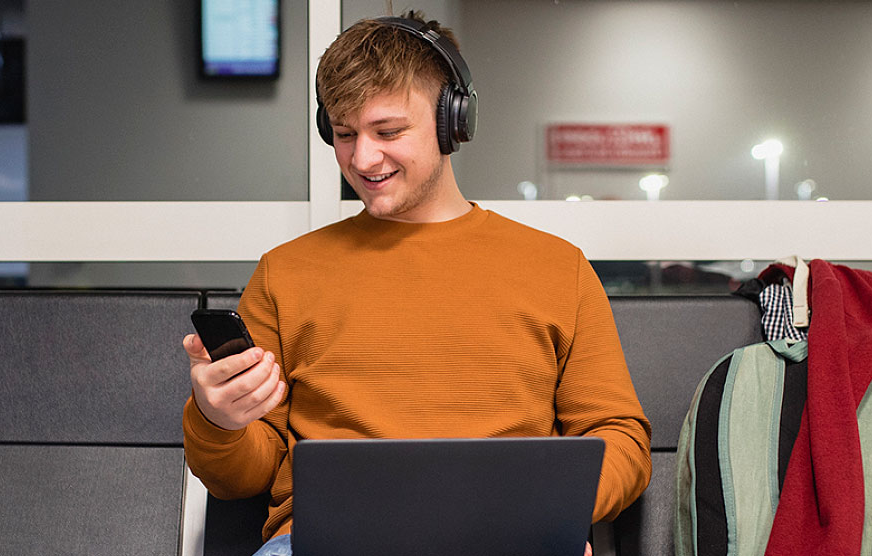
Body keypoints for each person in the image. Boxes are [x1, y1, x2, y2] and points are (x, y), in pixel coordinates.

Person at [181, 12, 652, 556]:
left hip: (509, 542)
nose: (361, 158)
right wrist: (219, 420)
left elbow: (622, 438)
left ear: (454, 121)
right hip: (324, 545)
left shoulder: (556, 268)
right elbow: (241, 477)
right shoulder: (285, 273)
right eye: (343, 134)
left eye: (388, 132)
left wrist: (556, 506)